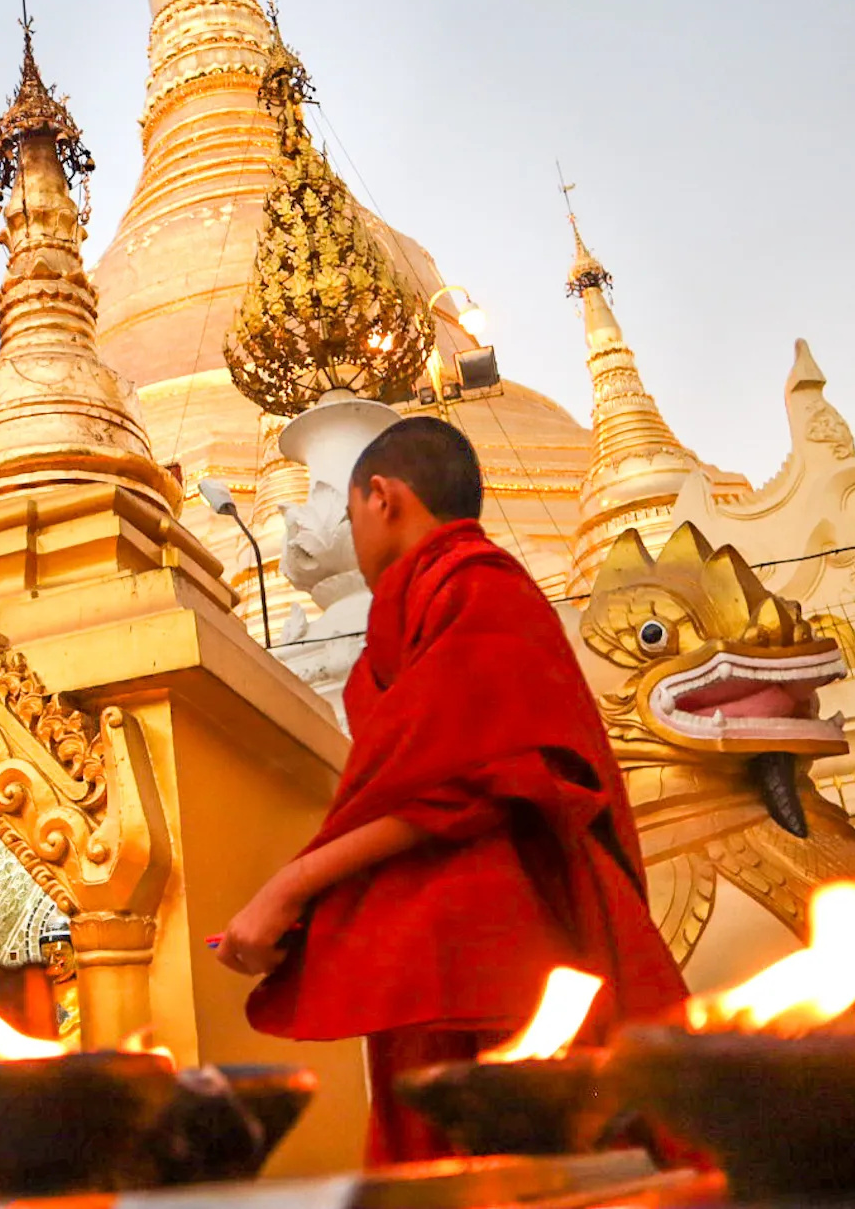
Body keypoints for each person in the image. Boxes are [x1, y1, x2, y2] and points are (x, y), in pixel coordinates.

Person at [215, 417, 688, 1166]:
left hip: (510, 943)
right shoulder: (416, 609)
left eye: (345, 513)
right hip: (431, 955)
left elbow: (466, 780)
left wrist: (295, 882)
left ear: (382, 496)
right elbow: (417, 777)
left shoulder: (481, 588)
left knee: (534, 1155)